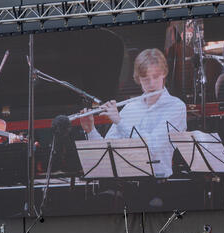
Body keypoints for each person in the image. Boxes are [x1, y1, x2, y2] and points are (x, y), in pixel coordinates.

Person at [79, 48, 187, 179]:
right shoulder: (131, 107)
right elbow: (107, 150)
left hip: (158, 183)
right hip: (126, 181)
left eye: (156, 76)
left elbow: (154, 148)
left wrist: (120, 121)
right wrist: (91, 130)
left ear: (164, 73)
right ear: (138, 79)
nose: (151, 84)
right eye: (146, 79)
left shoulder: (176, 107)